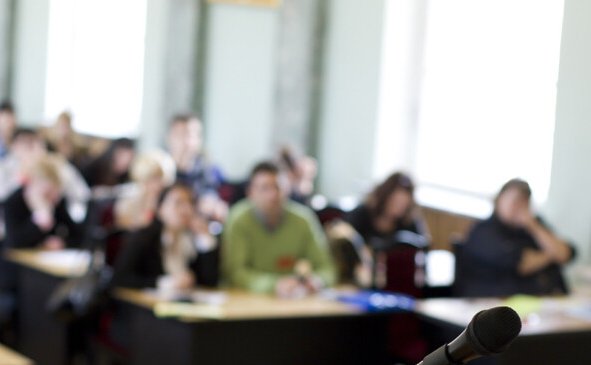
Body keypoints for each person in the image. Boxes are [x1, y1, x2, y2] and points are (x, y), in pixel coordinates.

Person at [0, 155, 84, 340]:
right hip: (6, 278)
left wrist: (62, 242)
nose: (53, 197)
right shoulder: (14, 201)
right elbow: (16, 243)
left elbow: (79, 236)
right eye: (49, 190)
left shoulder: (56, 203)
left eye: (56, 191)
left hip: (38, 280)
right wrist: (41, 216)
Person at [221, 162, 336, 297]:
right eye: (265, 188)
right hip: (248, 301)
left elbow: (327, 269)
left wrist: (317, 281)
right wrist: (276, 284)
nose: (273, 195)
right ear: (250, 192)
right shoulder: (238, 219)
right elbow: (235, 273)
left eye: (278, 187)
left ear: (289, 189)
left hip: (296, 301)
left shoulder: (304, 219)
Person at [459, 179, 575, 297]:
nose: (521, 208)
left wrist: (534, 226)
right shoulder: (483, 231)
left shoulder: (534, 226)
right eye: (516, 201)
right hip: (499, 304)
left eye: (525, 202)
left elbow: (564, 254)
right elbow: (522, 263)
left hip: (549, 301)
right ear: (499, 200)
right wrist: (552, 253)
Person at [112, 183, 218, 291]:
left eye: (190, 203)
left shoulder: (191, 239)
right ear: (160, 209)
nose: (186, 210)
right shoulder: (144, 237)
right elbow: (120, 279)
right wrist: (162, 283)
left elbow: (208, 282)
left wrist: (206, 240)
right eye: (178, 203)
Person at [0, 128, 91, 209]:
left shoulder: (59, 165)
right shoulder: (0, 167)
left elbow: (82, 194)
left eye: (37, 144)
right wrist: (20, 179)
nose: (33, 150)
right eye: (26, 145)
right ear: (13, 147)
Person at [166, 113, 227, 221]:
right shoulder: (159, 169)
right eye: (180, 134)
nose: (186, 141)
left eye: (192, 135)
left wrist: (213, 205)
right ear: (170, 137)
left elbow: (210, 194)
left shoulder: (208, 170)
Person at [346, 172, 429, 248]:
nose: (397, 208)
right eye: (394, 202)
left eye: (402, 205)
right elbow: (342, 230)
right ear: (385, 197)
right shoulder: (364, 212)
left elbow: (424, 244)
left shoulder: (409, 220)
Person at [113, 149, 176, 230]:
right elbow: (126, 229)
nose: (160, 183)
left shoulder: (170, 199)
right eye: (154, 178)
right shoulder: (128, 202)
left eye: (161, 178)